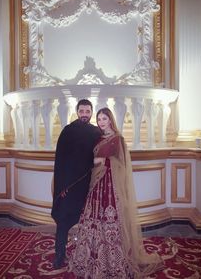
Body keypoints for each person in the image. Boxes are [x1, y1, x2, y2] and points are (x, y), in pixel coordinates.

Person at [67, 107, 164, 278]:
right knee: (92, 219)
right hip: (96, 185)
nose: (101, 122)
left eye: (104, 119)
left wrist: (101, 160)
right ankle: (91, 259)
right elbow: (87, 158)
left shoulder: (118, 139)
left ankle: (114, 262)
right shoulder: (97, 139)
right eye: (99, 119)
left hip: (111, 186)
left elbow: (122, 164)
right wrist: (92, 160)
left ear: (110, 120)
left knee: (110, 221)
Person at [51, 99, 101, 269]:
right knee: (63, 221)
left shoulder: (96, 132)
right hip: (69, 187)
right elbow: (60, 161)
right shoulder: (68, 131)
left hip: (89, 185)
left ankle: (87, 255)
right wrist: (61, 188)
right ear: (77, 111)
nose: (85, 114)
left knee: (89, 222)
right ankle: (59, 255)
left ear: (92, 112)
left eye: (88, 111)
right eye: (82, 111)